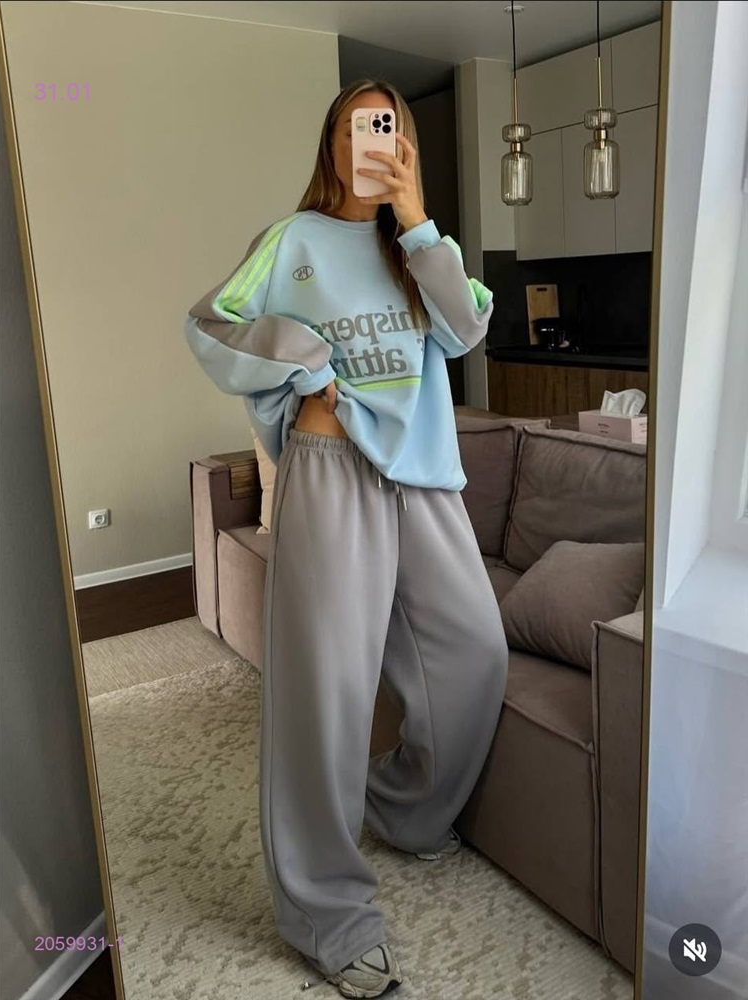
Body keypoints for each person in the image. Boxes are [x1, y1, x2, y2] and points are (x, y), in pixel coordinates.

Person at [184, 79, 509, 999]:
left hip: (426, 481)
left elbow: (466, 330)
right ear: (331, 142)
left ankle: (402, 811)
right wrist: (306, 363)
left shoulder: (422, 249)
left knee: (474, 655)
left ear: (405, 146)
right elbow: (211, 323)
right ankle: (328, 916)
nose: (372, 141)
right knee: (324, 692)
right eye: (357, 127)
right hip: (332, 474)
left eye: (388, 128)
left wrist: (418, 220)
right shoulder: (290, 241)